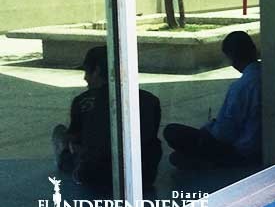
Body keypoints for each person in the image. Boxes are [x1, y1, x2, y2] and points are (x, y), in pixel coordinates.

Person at [52, 46, 162, 189]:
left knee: (61, 134)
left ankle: (65, 159)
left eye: (87, 71)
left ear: (97, 71)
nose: (85, 78)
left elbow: (77, 138)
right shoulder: (150, 99)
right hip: (144, 178)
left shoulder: (83, 101)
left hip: (96, 177)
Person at [164, 31, 261, 169]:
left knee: (172, 132)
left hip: (240, 150)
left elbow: (225, 132)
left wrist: (209, 130)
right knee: (179, 156)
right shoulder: (264, 75)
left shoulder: (241, 87)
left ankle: (217, 162)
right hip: (255, 145)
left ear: (232, 58)